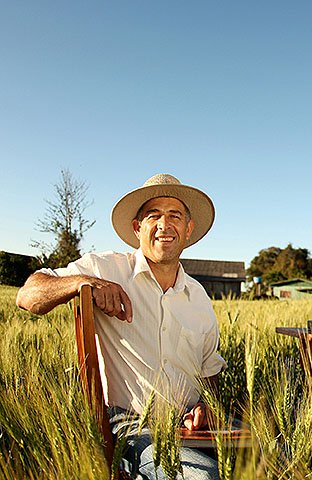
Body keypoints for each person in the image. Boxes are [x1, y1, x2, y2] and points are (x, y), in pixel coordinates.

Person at [16, 173, 225, 479]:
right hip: (134, 426)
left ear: (188, 229)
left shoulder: (199, 298)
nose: (164, 225)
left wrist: (206, 407)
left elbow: (210, 373)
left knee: (280, 457)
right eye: (154, 215)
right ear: (137, 228)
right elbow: (28, 295)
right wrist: (85, 281)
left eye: (175, 216)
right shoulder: (107, 268)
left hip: (193, 428)